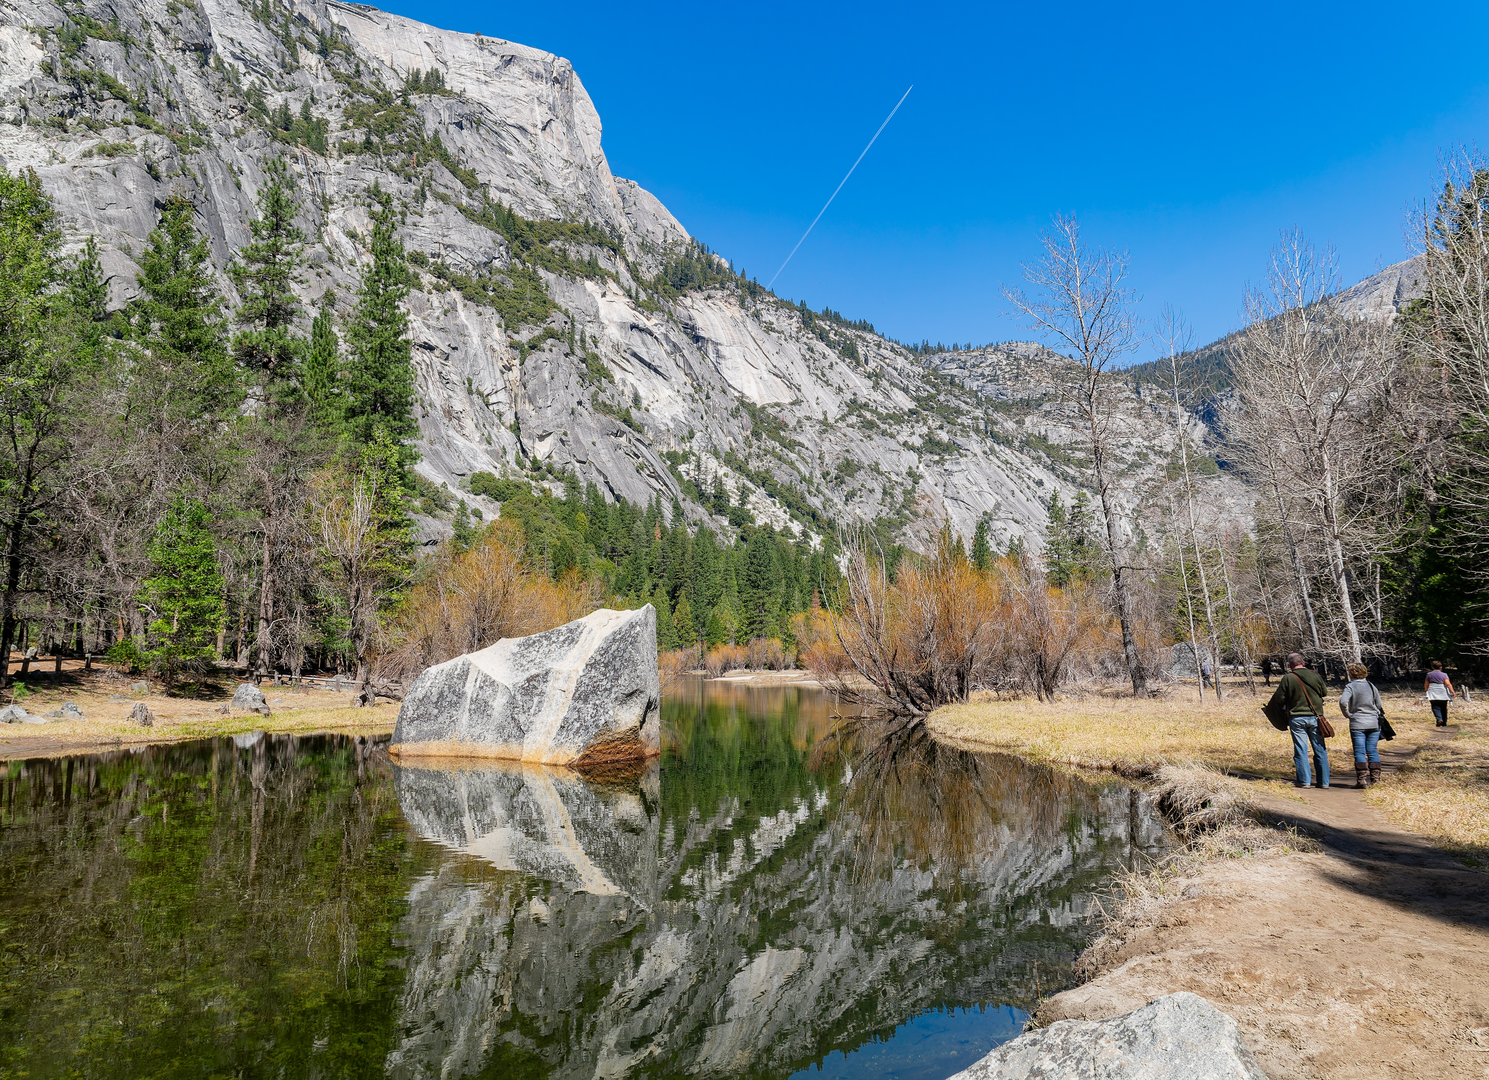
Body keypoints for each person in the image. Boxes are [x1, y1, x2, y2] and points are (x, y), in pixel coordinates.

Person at [1266, 652, 1330, 788]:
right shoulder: (1316, 676)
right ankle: (1324, 782)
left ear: (1289, 665)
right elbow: (1324, 692)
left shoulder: (1288, 678)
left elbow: (1279, 698)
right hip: (1316, 717)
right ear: (1304, 663)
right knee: (1320, 749)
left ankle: (1304, 781)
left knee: (1301, 749)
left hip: (1297, 718)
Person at [1339, 662, 1383, 788]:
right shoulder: (1371, 685)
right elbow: (1379, 704)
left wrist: (1347, 714)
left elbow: (1343, 702)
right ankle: (1376, 779)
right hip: (1373, 722)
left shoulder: (1350, 686)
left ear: (1351, 673)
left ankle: (1362, 780)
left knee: (1359, 751)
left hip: (1357, 722)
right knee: (1372, 751)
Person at [1424, 661, 1454, 727]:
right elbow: (1448, 684)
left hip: (1433, 691)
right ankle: (1444, 722)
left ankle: (1439, 719)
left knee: (1435, 706)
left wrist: (1426, 691)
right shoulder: (1444, 675)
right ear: (1440, 667)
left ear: (1433, 667)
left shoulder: (1429, 674)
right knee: (1444, 707)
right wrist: (1452, 692)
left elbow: (1426, 684)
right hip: (1442, 692)